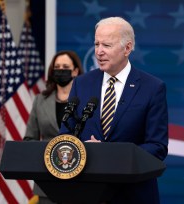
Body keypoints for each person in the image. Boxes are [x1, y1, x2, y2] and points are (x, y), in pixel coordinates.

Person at [59, 17, 169, 204]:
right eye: (96, 44)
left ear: (127, 48)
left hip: (133, 194)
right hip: (87, 193)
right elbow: (66, 134)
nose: (99, 52)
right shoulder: (82, 84)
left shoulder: (152, 88)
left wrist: (109, 154)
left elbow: (157, 146)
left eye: (107, 45)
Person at [23, 50, 84, 203]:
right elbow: (29, 139)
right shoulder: (40, 100)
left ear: (75, 71)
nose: (60, 70)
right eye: (57, 67)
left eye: (65, 67)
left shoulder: (86, 102)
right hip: (47, 181)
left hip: (80, 181)